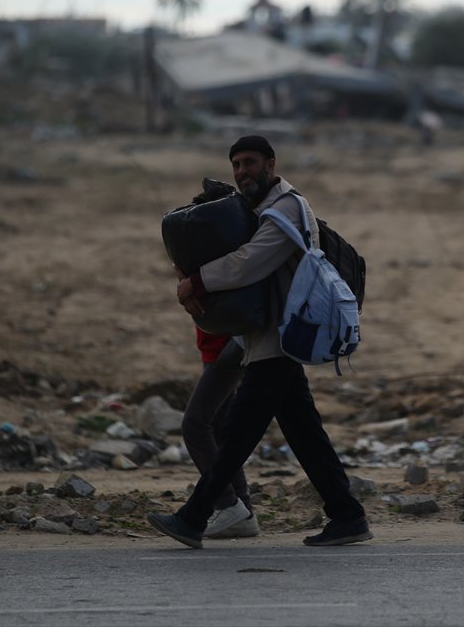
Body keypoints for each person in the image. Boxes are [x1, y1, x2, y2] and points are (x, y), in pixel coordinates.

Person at [149, 135, 371, 549]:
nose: (241, 172)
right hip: (269, 340)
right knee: (306, 435)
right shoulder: (260, 209)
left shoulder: (287, 208)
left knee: (235, 435)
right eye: (235, 164)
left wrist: (197, 281)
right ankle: (348, 515)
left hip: (279, 340)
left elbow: (251, 262)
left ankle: (192, 518)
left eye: (249, 162)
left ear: (271, 164)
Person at [181, 327, 257, 539]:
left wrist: (192, 291)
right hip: (218, 344)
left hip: (229, 345)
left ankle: (228, 503)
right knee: (218, 426)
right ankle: (243, 513)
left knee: (195, 424)